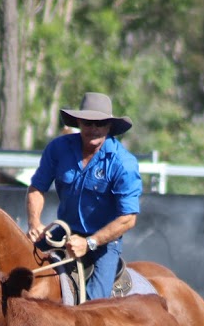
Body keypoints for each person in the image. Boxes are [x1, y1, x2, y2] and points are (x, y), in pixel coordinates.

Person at [26, 92, 143, 301]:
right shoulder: (58, 148)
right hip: (63, 230)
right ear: (79, 122)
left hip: (104, 243)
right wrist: (35, 223)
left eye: (100, 123)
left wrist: (90, 242)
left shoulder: (123, 163)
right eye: (88, 123)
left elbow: (128, 218)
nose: (94, 128)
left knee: (92, 305)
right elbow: (36, 188)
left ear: (109, 127)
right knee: (19, 267)